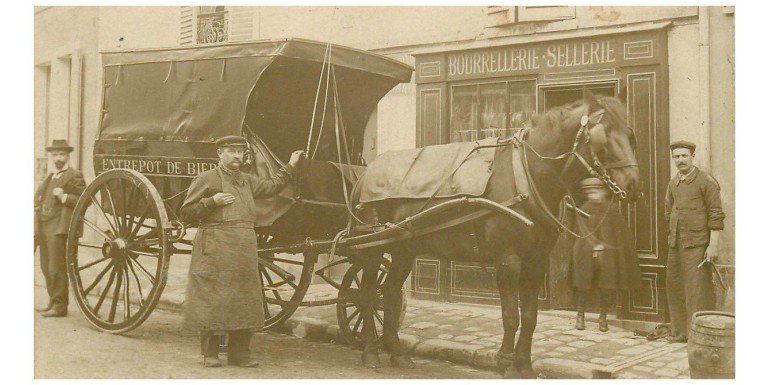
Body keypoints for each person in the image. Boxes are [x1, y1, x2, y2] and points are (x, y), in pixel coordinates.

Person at [180, 135, 304, 368]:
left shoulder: (247, 180)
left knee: (244, 299)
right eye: (231, 151)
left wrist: (291, 165)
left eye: (240, 151)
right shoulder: (207, 179)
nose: (237, 155)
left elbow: (272, 187)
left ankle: (239, 354)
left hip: (244, 247)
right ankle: (211, 354)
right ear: (220, 154)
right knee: (214, 298)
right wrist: (212, 202)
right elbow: (185, 213)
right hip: (215, 246)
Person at [664, 140, 725, 343]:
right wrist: (672, 233)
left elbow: (716, 213)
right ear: (673, 159)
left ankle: (697, 336)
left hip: (698, 245)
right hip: (676, 244)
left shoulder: (705, 181)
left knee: (696, 291)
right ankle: (680, 332)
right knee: (674, 286)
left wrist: (713, 245)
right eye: (676, 156)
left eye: (684, 156)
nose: (680, 160)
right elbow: (668, 211)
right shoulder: (673, 183)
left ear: (692, 157)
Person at [571, 177, 641, 332]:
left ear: (603, 191)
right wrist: (590, 246)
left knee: (607, 284)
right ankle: (580, 315)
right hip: (586, 252)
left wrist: (607, 246)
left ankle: (603, 317)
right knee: (583, 284)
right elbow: (579, 232)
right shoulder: (584, 209)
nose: (594, 194)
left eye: (597, 191)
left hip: (608, 253)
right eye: (590, 192)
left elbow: (619, 233)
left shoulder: (612, 209)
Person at [34, 139, 86, 317]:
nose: (58, 158)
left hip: (58, 227)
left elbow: (83, 199)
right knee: (45, 266)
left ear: (68, 156)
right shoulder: (51, 176)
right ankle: (53, 300)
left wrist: (64, 196)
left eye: (61, 154)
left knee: (56, 267)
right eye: (55, 154)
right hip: (43, 225)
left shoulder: (74, 175)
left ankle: (60, 305)